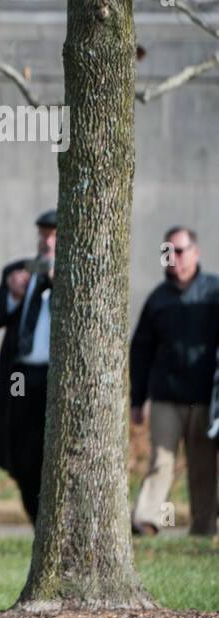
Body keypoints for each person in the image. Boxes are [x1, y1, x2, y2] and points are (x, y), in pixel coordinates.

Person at [129, 226, 219, 536]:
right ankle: (146, 521)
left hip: (205, 398)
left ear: (195, 252)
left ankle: (203, 529)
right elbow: (140, 350)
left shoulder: (213, 292)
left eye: (179, 251)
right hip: (166, 395)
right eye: (167, 252)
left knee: (203, 467)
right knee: (161, 460)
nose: (173, 258)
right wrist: (137, 400)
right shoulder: (158, 298)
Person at [0, 208, 57, 524]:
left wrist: (60, 282)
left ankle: (53, 522)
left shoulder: (78, 273)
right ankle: (37, 522)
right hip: (21, 377)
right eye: (43, 233)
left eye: (53, 234)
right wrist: (13, 295)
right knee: (22, 456)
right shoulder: (21, 272)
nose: (47, 241)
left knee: (50, 453)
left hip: (56, 378)